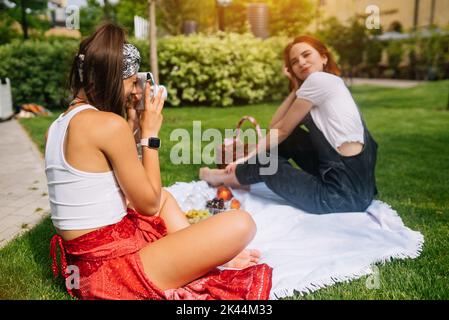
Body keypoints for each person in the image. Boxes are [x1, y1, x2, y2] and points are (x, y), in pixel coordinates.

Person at [45, 23, 272, 300]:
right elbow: (147, 204)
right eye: (130, 83)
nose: (133, 92)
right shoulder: (107, 125)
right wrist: (150, 136)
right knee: (241, 223)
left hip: (81, 266)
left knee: (165, 197)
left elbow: (118, 184)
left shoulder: (59, 124)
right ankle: (200, 261)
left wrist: (132, 125)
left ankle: (194, 259)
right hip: (111, 271)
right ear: (112, 78)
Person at [200, 35, 378, 214]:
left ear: (324, 57)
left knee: (267, 162)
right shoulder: (329, 85)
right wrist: (295, 88)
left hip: (338, 197)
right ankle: (240, 176)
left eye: (306, 54)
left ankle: (223, 177)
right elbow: (276, 126)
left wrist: (245, 158)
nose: (301, 62)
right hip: (358, 190)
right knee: (293, 137)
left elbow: (280, 130)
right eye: (294, 62)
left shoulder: (320, 81)